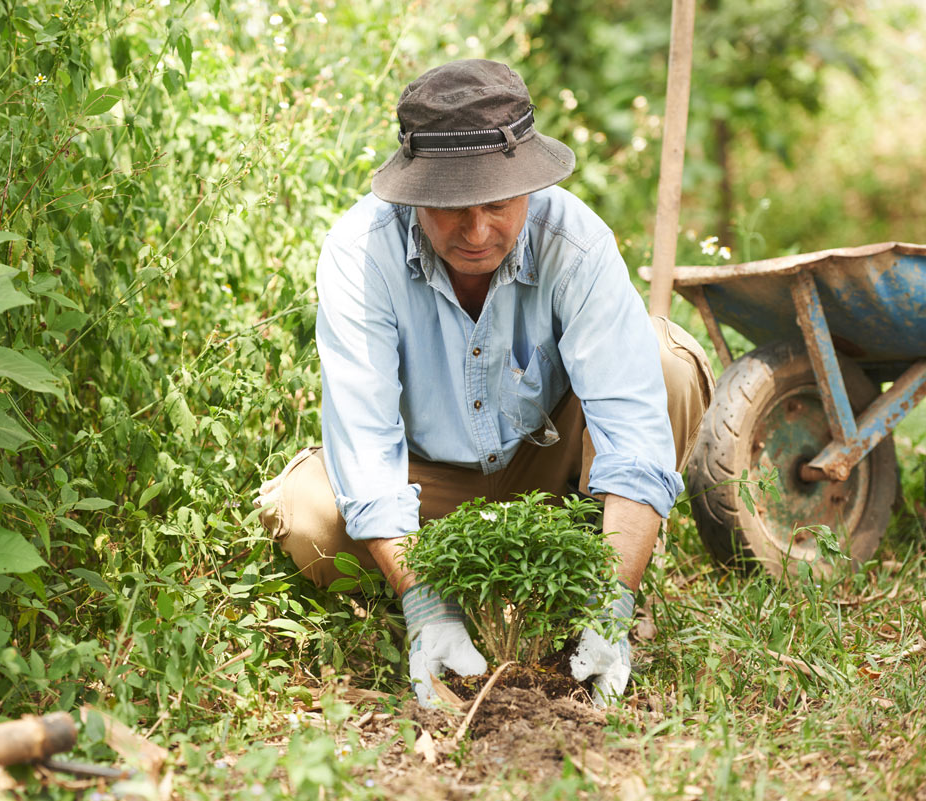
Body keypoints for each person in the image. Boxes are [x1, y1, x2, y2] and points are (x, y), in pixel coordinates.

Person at [256, 59, 713, 706]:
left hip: (546, 460)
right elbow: (364, 442)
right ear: (414, 193)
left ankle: (589, 583)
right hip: (425, 482)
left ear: (528, 183)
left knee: (667, 362)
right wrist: (425, 605)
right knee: (309, 514)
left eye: (498, 205)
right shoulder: (361, 254)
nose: (477, 233)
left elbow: (634, 429)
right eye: (450, 209)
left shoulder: (575, 244)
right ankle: (432, 603)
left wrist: (613, 605)